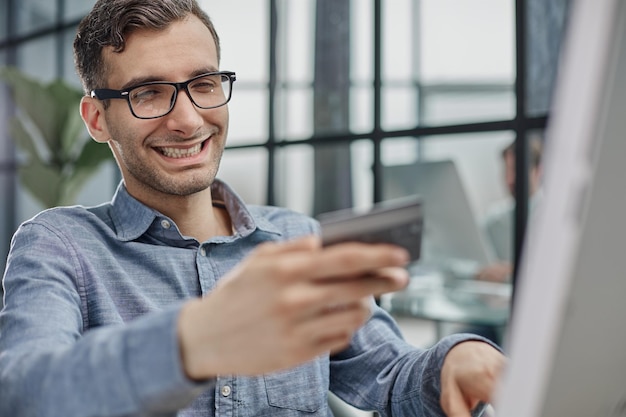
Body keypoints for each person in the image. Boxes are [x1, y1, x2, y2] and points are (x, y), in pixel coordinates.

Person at [0, 1, 505, 416]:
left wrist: (452, 363)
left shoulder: (295, 237)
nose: (187, 119)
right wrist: (195, 341)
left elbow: (390, 375)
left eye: (203, 84)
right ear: (96, 119)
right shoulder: (59, 245)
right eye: (148, 93)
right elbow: (28, 395)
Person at [476, 135, 543, 283]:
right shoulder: (493, 219)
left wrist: (512, 270)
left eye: (516, 171)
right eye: (506, 171)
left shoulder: (556, 217)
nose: (510, 179)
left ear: (538, 170)